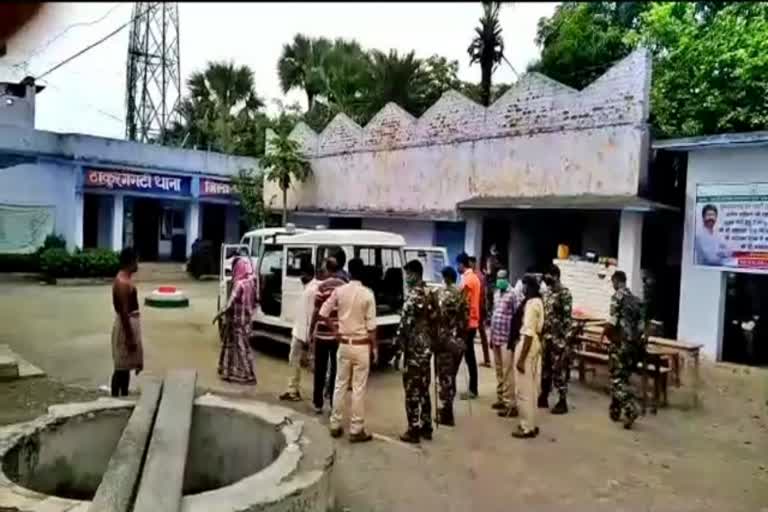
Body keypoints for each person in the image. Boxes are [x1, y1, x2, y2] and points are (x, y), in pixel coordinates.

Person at [321, 258, 377, 443]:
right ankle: (356, 429)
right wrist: (374, 348)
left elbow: (323, 313)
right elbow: (372, 327)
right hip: (361, 345)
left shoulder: (340, 291)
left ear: (349, 272)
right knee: (358, 389)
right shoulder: (368, 294)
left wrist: (335, 331)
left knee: (340, 385)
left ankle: (335, 424)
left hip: (344, 344)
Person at [397, 260, 439, 443]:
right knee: (424, 388)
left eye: (408, 274)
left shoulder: (413, 297)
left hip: (414, 350)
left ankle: (413, 429)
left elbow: (404, 327)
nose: (406, 278)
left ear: (415, 274)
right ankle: (426, 426)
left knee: (412, 390)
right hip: (426, 348)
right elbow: (436, 321)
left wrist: (398, 348)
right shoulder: (430, 295)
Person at [603, 270, 645, 430]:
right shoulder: (636, 300)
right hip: (633, 346)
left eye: (613, 282)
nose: (612, 285)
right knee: (623, 377)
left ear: (617, 281)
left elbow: (612, 322)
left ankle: (630, 408)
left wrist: (605, 334)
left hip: (619, 345)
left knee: (616, 379)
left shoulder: (617, 297)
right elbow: (641, 327)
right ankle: (615, 410)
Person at [311, 257, 347, 414]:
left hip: (322, 334)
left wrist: (311, 328)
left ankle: (318, 403)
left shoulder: (322, 287)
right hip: (337, 334)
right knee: (335, 370)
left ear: (327, 269)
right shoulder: (344, 286)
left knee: (320, 369)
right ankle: (333, 401)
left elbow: (317, 311)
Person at [511, 274, 545, 439]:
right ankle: (532, 424)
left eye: (524, 285)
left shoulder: (531, 304)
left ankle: (526, 427)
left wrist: (521, 359)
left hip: (527, 344)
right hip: (536, 344)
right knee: (532, 388)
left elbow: (529, 332)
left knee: (523, 389)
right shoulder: (539, 301)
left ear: (529, 287)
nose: (522, 289)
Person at [215, 257, 258, 384]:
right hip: (246, 321)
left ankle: (247, 375)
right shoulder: (251, 282)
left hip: (236, 321)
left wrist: (218, 315)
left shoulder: (239, 284)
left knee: (237, 347)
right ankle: (228, 371)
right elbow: (255, 302)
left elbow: (230, 304)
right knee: (241, 346)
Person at [435, 266, 468, 426]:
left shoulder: (443, 295)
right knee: (451, 376)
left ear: (446, 278)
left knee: (445, 378)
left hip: (445, 341)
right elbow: (465, 319)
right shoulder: (461, 294)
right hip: (458, 342)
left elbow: (437, 317)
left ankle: (447, 414)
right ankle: (447, 409)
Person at [279, 262, 318, 402]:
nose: (300, 277)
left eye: (302, 274)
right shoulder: (310, 287)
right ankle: (293, 389)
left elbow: (312, 314)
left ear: (308, 274)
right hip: (301, 331)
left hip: (303, 333)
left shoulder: (311, 290)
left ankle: (293, 391)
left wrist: (309, 337)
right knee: (297, 361)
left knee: (297, 361)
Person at [539, 264, 574, 414]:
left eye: (549, 276)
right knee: (545, 369)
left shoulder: (564, 294)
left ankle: (562, 400)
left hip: (558, 339)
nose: (546, 279)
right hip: (546, 338)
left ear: (556, 276)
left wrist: (565, 342)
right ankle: (544, 395)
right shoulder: (546, 293)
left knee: (558, 370)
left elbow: (567, 321)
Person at [110, 247, 143, 397]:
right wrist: (130, 338)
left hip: (129, 324)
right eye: (136, 260)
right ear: (131, 262)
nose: (138, 264)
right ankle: (115, 397)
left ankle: (124, 394)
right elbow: (123, 312)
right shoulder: (122, 282)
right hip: (126, 326)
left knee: (126, 366)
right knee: (121, 367)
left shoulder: (125, 279)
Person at [489, 270, 521, 416]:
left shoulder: (513, 294)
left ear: (507, 279)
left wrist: (514, 338)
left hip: (506, 339)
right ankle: (501, 398)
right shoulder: (496, 293)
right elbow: (495, 313)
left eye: (502, 278)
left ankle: (510, 405)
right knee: (499, 370)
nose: (499, 280)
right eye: (498, 278)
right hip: (496, 337)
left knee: (508, 372)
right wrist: (491, 337)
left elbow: (517, 316)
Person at [457, 253, 481, 400]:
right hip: (472, 321)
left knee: (468, 357)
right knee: (468, 356)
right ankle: (473, 388)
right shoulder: (473, 278)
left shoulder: (468, 279)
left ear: (461, 264)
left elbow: (461, 301)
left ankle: (472, 389)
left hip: (468, 322)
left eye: (457, 264)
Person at [469, 255, 492, 368]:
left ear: (473, 263)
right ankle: (486, 358)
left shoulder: (477, 276)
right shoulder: (479, 276)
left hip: (477, 308)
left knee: (476, 333)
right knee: (481, 333)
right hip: (479, 308)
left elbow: (481, 295)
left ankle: (486, 358)